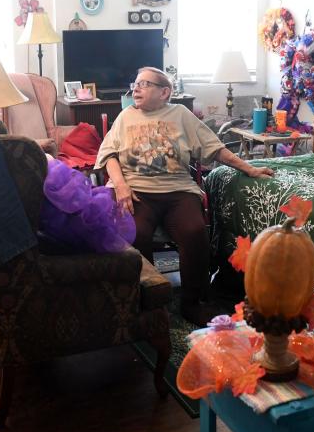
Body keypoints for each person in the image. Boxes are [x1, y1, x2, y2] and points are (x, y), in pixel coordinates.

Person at [95, 67, 274, 325]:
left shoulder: (180, 115)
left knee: (194, 231)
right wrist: (121, 186)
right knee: (136, 232)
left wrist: (251, 168)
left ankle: (193, 303)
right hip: (136, 190)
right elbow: (108, 155)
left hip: (178, 190)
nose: (136, 88)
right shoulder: (125, 117)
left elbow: (216, 149)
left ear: (164, 92)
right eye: (135, 83)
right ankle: (144, 299)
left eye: (144, 84)